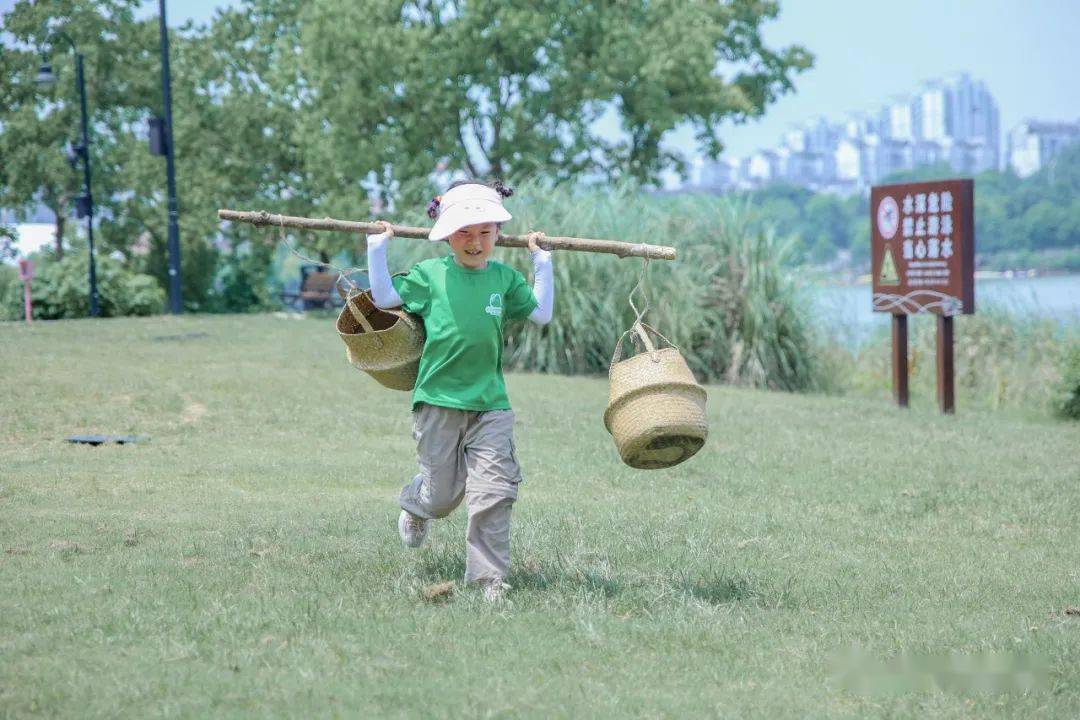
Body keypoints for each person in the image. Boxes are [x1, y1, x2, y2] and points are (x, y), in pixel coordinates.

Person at [366, 180, 554, 602]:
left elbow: (541, 313)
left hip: (491, 404)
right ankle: (417, 503)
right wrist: (377, 248)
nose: (474, 241)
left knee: (494, 490)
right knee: (442, 496)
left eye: (484, 232)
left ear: (497, 235)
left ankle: (488, 580)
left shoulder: (504, 279)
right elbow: (384, 296)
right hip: (438, 402)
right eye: (465, 233)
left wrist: (542, 262)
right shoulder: (431, 275)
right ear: (448, 235)